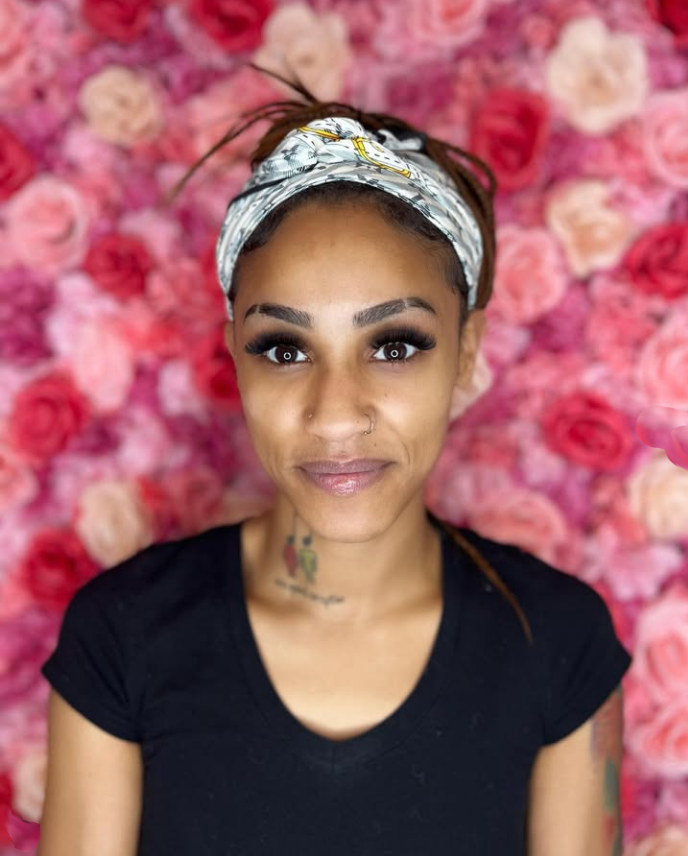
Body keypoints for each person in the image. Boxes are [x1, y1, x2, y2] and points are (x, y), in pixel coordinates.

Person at [38, 64, 633, 856]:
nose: (336, 412)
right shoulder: (122, 637)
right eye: (284, 348)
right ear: (236, 359)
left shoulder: (560, 646)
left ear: (466, 354)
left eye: (394, 345)